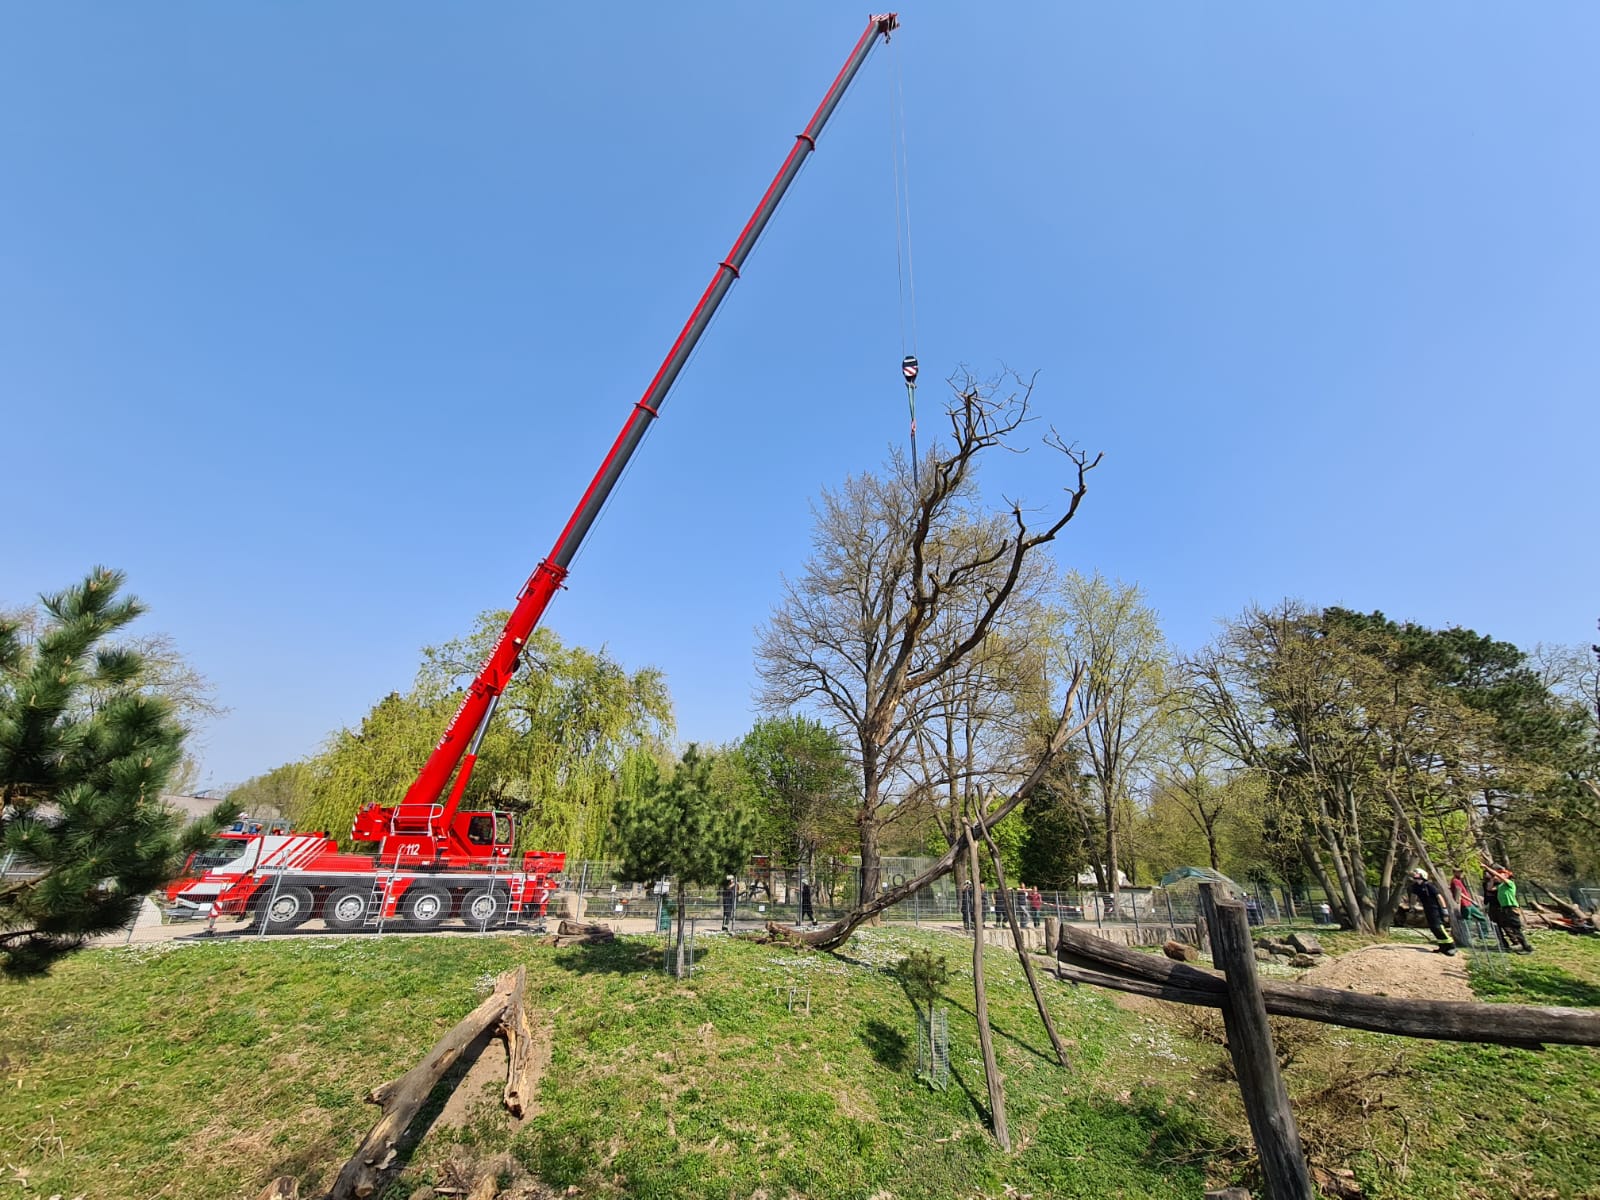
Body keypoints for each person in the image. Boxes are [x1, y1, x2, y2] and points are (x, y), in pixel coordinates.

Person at [1484, 863, 1534, 953]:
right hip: (1505, 909)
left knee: (1516, 928)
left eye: (1502, 873)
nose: (1499, 875)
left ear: (1507, 875)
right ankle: (1520, 945)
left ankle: (1526, 947)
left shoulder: (1510, 883)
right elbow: (1489, 889)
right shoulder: (1501, 886)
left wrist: (1487, 868)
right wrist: (1492, 879)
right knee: (1510, 927)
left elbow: (1500, 876)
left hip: (1511, 908)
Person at [1408, 868, 1457, 954]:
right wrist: (1412, 906)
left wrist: (1444, 909)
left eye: (1417, 874)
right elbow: (1413, 896)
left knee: (1438, 927)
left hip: (1435, 909)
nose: (1414, 875)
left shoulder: (1429, 886)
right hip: (1427, 909)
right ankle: (1442, 946)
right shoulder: (1415, 887)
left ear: (1422, 875)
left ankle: (1451, 945)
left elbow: (1439, 897)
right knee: (1433, 928)